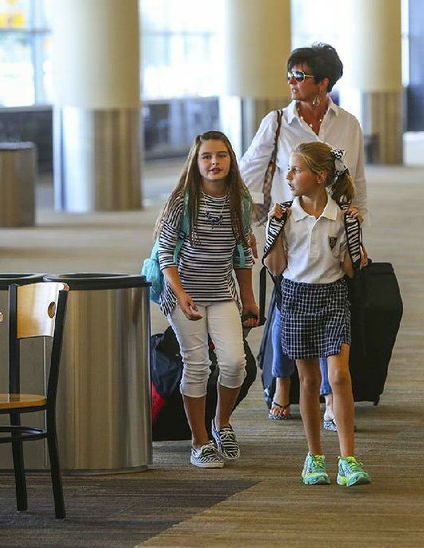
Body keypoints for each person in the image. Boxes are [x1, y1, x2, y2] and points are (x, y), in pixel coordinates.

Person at [240, 42, 368, 429]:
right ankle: (282, 384)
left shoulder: (347, 124)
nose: (292, 82)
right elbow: (247, 172)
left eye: (301, 76)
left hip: (333, 231)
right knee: (286, 308)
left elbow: (357, 185)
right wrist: (239, 222)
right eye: (290, 75)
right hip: (289, 232)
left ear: (324, 82)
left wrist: (359, 234)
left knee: (334, 310)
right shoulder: (277, 122)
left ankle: (331, 398)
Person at [264, 141, 370, 486]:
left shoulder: (341, 217)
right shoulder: (285, 216)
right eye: (289, 169)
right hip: (295, 298)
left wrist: (356, 247)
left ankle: (348, 459)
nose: (289, 175)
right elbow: (276, 267)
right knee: (308, 382)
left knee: (338, 376)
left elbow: (352, 269)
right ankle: (314, 456)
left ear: (320, 176)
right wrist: (272, 232)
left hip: (333, 296)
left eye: (296, 169)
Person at [155, 130, 259, 468]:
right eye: (207, 156)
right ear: (196, 162)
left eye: (222, 155)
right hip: (184, 294)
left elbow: (242, 255)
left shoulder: (239, 200)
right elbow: (165, 254)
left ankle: (221, 423)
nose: (215, 162)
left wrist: (249, 299)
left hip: (221, 292)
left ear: (231, 159)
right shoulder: (182, 201)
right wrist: (182, 296)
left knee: (233, 363)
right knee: (197, 365)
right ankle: (199, 441)